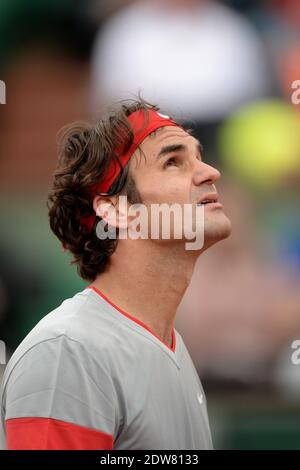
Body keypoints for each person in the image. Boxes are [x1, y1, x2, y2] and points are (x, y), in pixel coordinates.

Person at [0, 98, 231, 450]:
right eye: (173, 162)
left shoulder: (168, 345)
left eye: (198, 156)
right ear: (115, 209)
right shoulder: (68, 351)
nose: (209, 171)